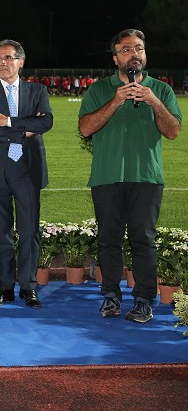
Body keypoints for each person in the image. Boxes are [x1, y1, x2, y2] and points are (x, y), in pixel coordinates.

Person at [79, 29, 182, 323]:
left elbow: (173, 131)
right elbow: (85, 128)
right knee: (108, 239)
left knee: (144, 240)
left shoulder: (161, 90)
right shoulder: (100, 90)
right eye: (126, 49)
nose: (133, 54)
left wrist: (153, 101)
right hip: (106, 175)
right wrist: (116, 101)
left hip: (146, 176)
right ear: (115, 58)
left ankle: (144, 300)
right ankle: (111, 295)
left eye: (138, 48)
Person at [0, 39, 53, 309]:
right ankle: (5, 287)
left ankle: (29, 287)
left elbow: (46, 122)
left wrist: (8, 122)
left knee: (29, 231)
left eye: (8, 58)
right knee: (0, 232)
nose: (2, 63)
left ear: (21, 62)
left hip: (27, 169)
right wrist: (25, 129)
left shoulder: (37, 90)